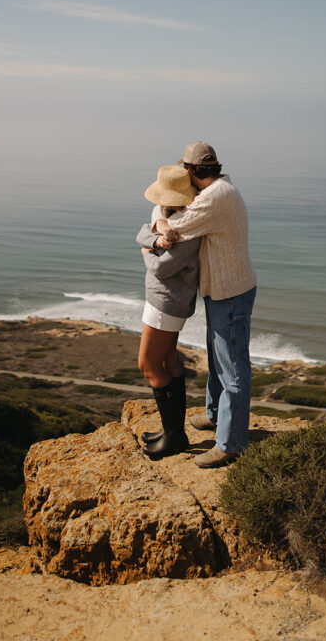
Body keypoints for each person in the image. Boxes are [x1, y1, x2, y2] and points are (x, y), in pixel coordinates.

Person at [154, 142, 257, 469]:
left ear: (189, 170)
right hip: (225, 289)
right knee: (218, 358)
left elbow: (176, 229)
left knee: (232, 368)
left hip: (230, 292)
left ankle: (231, 443)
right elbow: (176, 212)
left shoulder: (213, 199)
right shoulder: (220, 188)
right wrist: (163, 212)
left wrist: (157, 221)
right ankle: (215, 416)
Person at [136, 164, 201, 460]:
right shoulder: (168, 214)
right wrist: (153, 238)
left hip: (167, 301)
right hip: (164, 300)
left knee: (148, 365)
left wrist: (147, 251)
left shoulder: (187, 226)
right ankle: (173, 431)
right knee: (168, 361)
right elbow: (143, 230)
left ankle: (175, 436)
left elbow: (161, 268)